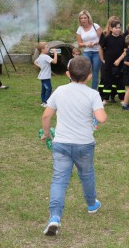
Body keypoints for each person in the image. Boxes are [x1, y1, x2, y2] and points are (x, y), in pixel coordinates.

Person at [41, 56, 107, 236]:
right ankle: (92, 204)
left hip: (61, 143)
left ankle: (55, 217)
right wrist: (97, 111)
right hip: (84, 144)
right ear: (89, 76)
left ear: (68, 74)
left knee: (59, 180)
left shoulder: (60, 91)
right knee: (86, 175)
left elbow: (46, 116)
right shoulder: (93, 94)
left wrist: (46, 133)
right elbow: (101, 118)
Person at [99, 19, 126, 104]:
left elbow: (125, 50)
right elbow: (100, 48)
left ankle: (122, 99)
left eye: (119, 28)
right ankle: (105, 99)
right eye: (115, 28)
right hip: (108, 63)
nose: (118, 29)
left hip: (119, 63)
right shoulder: (107, 38)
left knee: (120, 81)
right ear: (111, 28)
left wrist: (119, 59)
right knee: (107, 80)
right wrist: (102, 59)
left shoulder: (123, 38)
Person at [76, 10, 102, 90]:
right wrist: (86, 44)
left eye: (85, 17)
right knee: (84, 71)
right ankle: (83, 89)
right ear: (79, 19)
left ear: (88, 18)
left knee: (95, 72)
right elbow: (79, 44)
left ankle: (94, 90)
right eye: (81, 18)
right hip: (86, 52)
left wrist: (95, 43)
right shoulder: (79, 29)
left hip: (97, 52)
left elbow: (103, 40)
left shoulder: (95, 26)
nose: (83, 19)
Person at [98, 16, 119, 99]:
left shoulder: (120, 34)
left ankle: (113, 95)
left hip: (117, 60)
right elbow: (100, 48)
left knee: (115, 77)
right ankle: (103, 95)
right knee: (105, 77)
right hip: (107, 59)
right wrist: (102, 59)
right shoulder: (105, 34)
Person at [34, 42, 58, 107]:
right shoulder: (45, 56)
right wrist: (55, 53)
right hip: (45, 77)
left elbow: (35, 61)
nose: (48, 49)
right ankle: (46, 102)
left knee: (44, 89)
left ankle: (43, 102)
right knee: (49, 89)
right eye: (47, 47)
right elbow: (55, 62)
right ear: (42, 49)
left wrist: (39, 66)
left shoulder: (40, 56)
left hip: (43, 76)